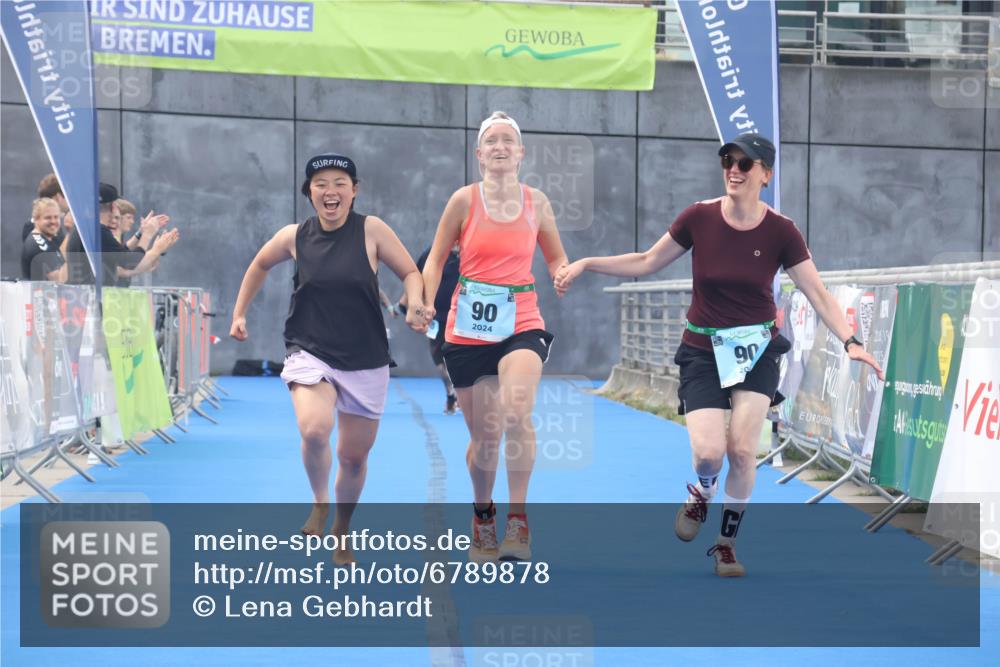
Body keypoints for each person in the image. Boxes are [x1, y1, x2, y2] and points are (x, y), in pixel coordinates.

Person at [556, 133, 884, 577]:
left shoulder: (782, 232)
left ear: (765, 175)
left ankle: (726, 544)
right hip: (702, 349)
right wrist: (587, 262)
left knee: (743, 452)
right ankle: (703, 492)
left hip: (756, 351)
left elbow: (819, 294)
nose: (734, 168)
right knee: (710, 454)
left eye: (745, 164)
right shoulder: (699, 217)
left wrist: (852, 342)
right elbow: (647, 261)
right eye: (728, 160)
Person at [230, 154, 431, 565]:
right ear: (309, 193)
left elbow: (411, 272)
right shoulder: (294, 236)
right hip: (310, 348)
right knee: (314, 428)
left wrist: (415, 302)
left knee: (353, 458)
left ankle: (342, 529)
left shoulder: (371, 230)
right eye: (321, 183)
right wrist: (238, 312)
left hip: (365, 357)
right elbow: (260, 264)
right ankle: (319, 502)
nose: (331, 190)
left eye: (340, 182)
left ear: (354, 191)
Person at [421, 111, 570, 563]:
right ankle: (483, 515)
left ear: (521, 153)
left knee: (516, 413)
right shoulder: (463, 201)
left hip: (521, 318)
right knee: (484, 439)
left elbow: (556, 256)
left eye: (509, 140)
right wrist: (426, 301)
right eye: (492, 141)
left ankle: (518, 522)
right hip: (468, 327)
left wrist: (562, 274)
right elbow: (434, 259)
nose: (501, 146)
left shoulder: (537, 202)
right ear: (479, 154)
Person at [65, 183, 177, 286]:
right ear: (114, 206)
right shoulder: (99, 232)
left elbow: (119, 252)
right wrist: (150, 238)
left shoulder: (87, 229)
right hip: (88, 301)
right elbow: (130, 262)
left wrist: (140, 233)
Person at [397, 243, 461, 414]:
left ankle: (462, 393)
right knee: (440, 360)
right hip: (436, 318)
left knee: (462, 359)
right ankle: (451, 395)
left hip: (464, 318)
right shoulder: (432, 254)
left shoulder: (473, 255)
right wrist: (404, 305)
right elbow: (415, 279)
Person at [21, 198, 67, 282]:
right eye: (48, 218)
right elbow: (59, 279)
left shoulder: (50, 239)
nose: (53, 221)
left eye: (56, 217)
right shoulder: (38, 244)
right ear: (36, 219)